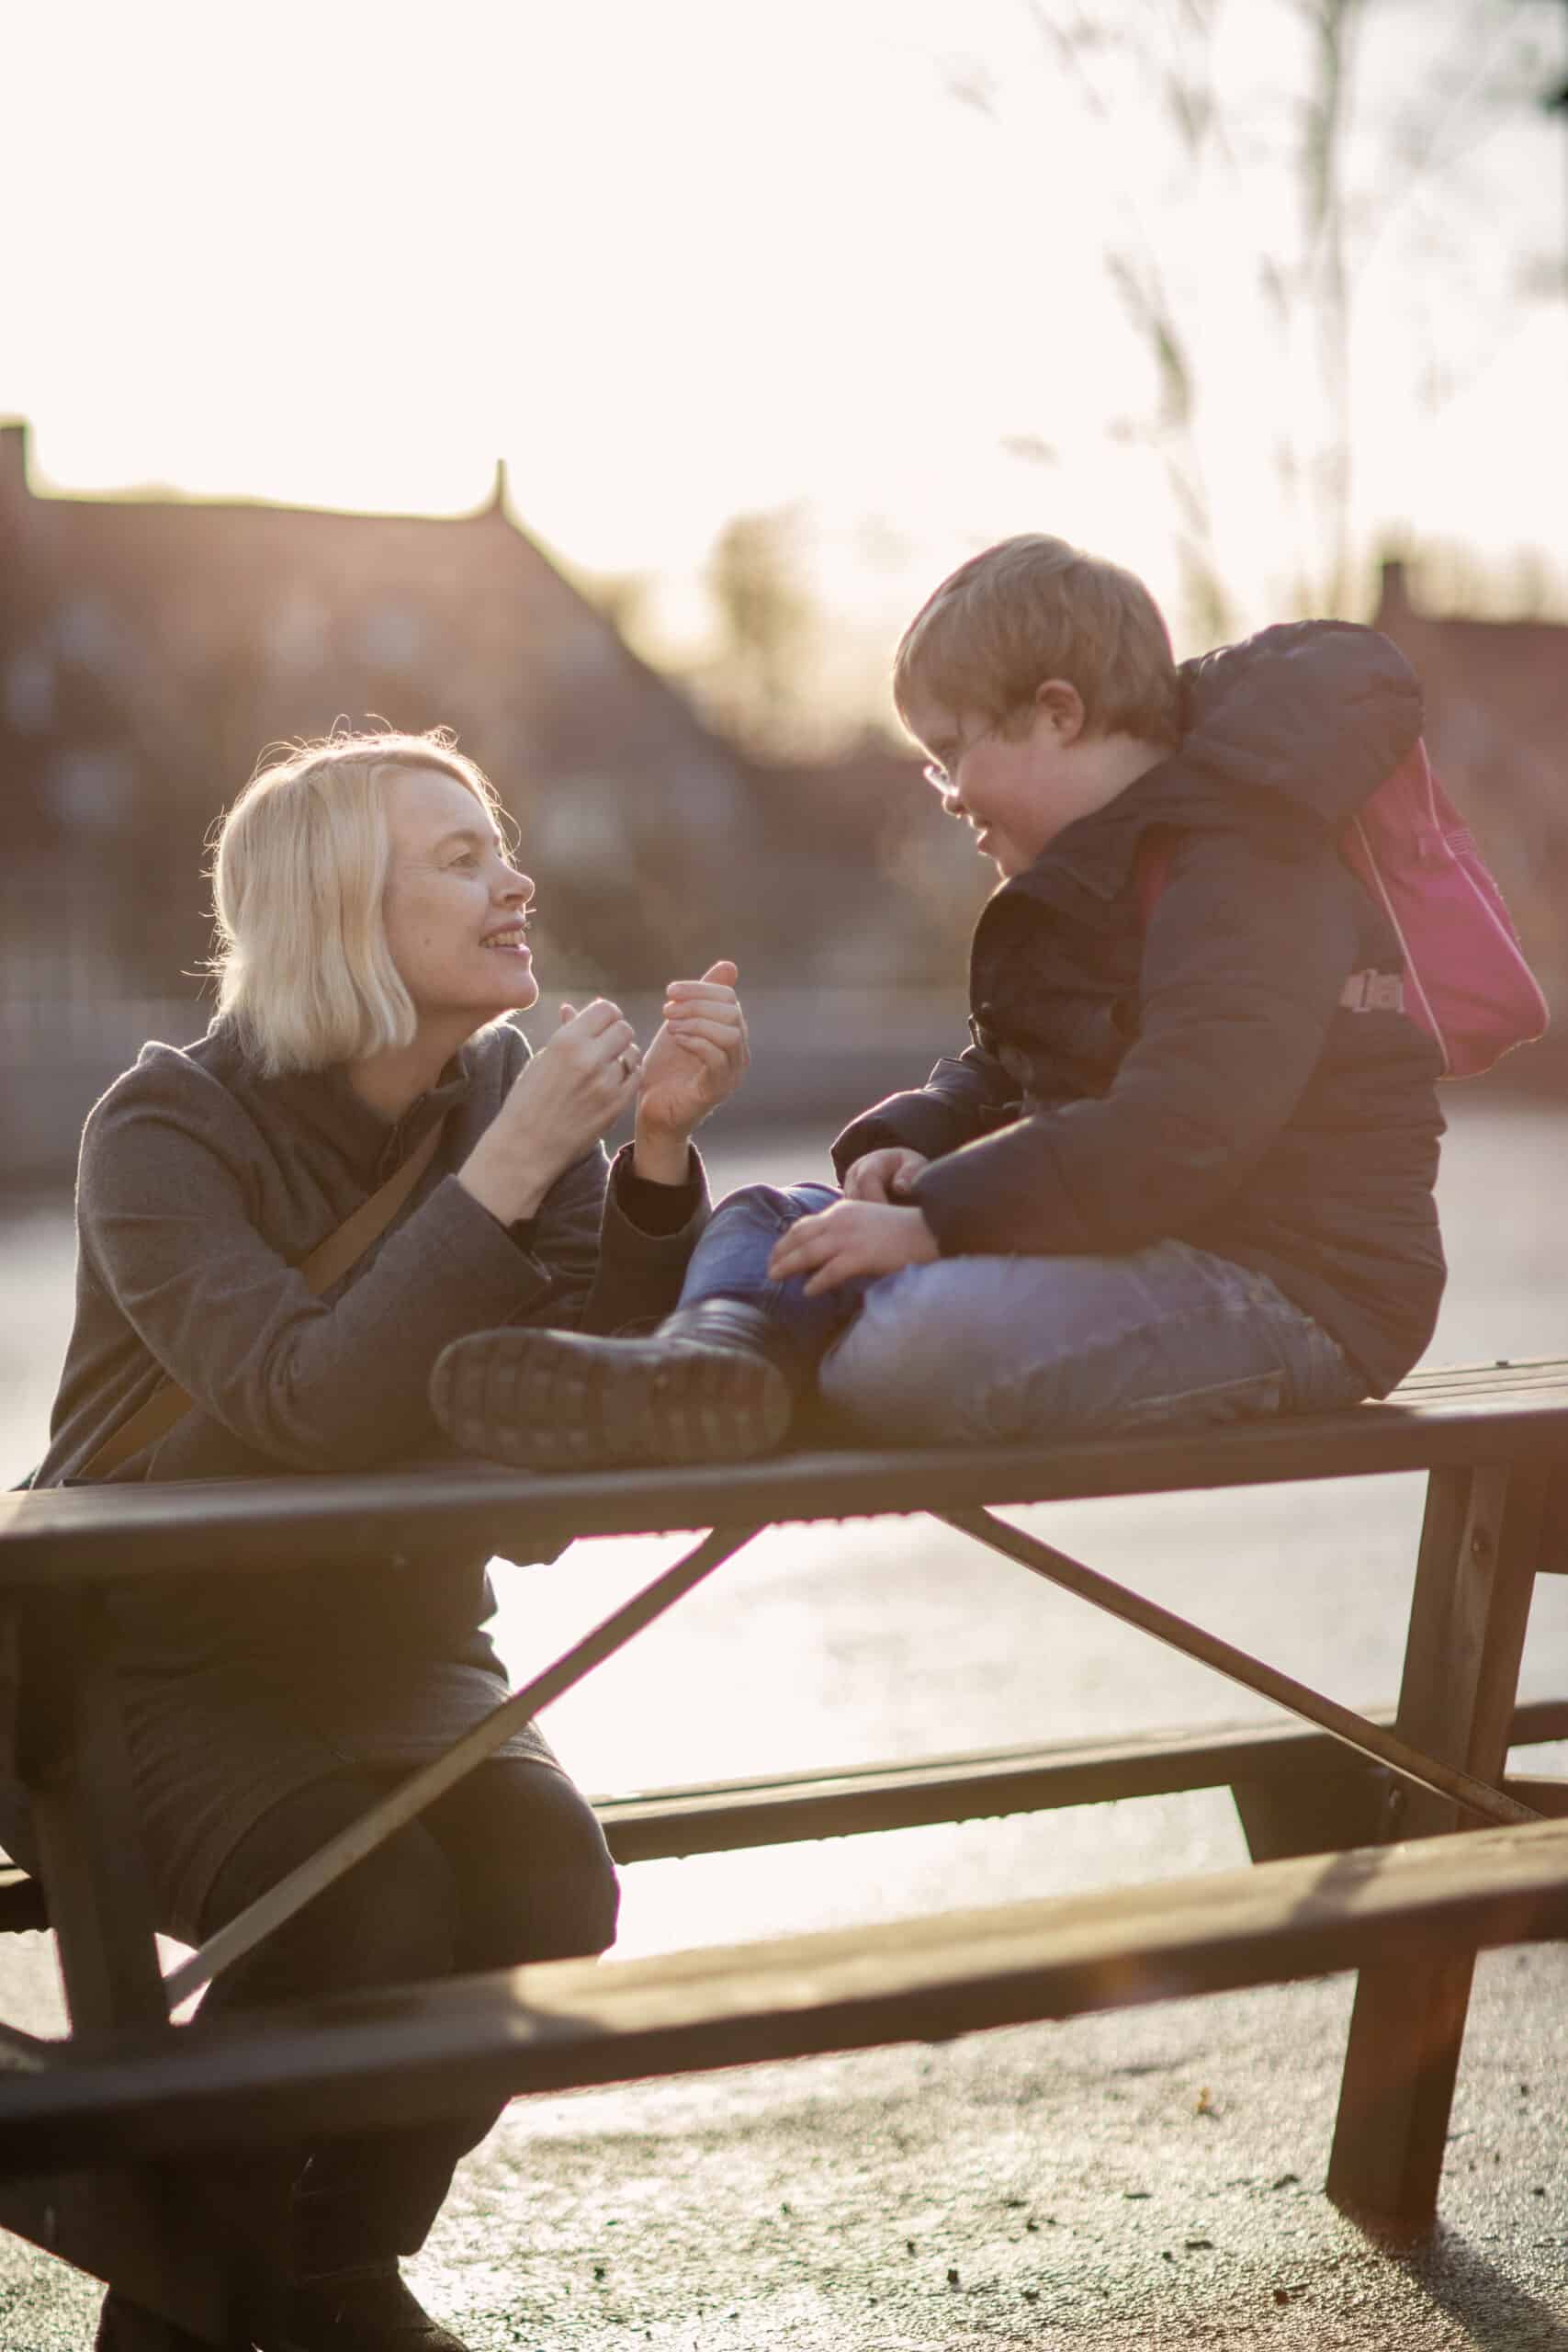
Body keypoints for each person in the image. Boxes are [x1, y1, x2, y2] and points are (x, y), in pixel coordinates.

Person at [6, 726, 748, 2352]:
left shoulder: (501, 1096)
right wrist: (513, 1164)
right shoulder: (163, 1131)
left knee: (550, 1886)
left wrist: (657, 1153)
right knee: (366, 1913)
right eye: (461, 857)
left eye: (502, 844)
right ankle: (228, 2304)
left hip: (394, 1640)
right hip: (133, 1662)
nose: (516, 879)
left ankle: (307, 2269)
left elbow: (575, 1404)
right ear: (343, 910)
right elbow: (307, 1401)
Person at [430, 535, 1446, 1473]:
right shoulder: (1084, 873)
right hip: (1137, 1233)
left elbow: (1182, 1128)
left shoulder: (1245, 866)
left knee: (908, 1348)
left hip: (1290, 1282)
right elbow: (1009, 1060)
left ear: (1058, 713)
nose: (947, 792)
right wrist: (927, 1130)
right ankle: (706, 1360)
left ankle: (739, 1376)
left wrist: (934, 1223)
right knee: (764, 1214)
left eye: (953, 750)